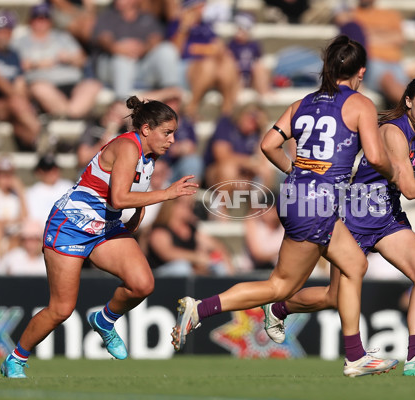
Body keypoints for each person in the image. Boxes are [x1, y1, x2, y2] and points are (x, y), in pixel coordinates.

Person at [171, 35, 401, 378]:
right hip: (319, 201)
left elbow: (268, 144)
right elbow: (376, 155)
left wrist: (297, 170)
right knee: (298, 281)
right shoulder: (361, 104)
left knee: (328, 272)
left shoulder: (302, 103)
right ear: (361, 72)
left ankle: (203, 309)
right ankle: (353, 355)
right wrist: (394, 174)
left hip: (294, 196)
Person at [260, 77, 415, 376]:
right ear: (407, 101)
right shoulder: (393, 132)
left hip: (388, 218)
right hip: (355, 217)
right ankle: (279, 308)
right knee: (333, 297)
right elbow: (410, 188)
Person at [0, 96, 199, 379]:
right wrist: (166, 194)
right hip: (70, 225)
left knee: (142, 284)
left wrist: (134, 221)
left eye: (174, 133)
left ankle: (104, 321)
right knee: (61, 309)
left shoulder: (150, 156)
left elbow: (136, 194)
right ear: (145, 129)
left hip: (105, 226)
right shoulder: (128, 147)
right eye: (167, 132)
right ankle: (16, 359)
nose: (172, 140)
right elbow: (118, 197)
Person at [11, 3, 102, 120]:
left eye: (45, 18)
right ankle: (68, 116)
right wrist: (37, 64)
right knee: (39, 88)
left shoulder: (63, 37)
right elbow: (16, 66)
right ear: (30, 20)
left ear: (50, 21)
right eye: (37, 18)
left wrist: (70, 58)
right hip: (44, 84)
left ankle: (70, 114)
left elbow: (83, 60)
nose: (41, 22)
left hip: (72, 82)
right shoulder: (21, 42)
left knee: (93, 85)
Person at [92, 0, 181, 101]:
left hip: (141, 66)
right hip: (112, 67)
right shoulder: (107, 16)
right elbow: (103, 39)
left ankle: (172, 95)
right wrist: (117, 48)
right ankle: (122, 102)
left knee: (167, 49)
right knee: (122, 60)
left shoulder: (147, 17)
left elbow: (156, 38)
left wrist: (143, 48)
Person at [168, 0, 239, 118]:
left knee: (227, 61)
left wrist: (208, 49)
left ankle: (227, 106)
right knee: (209, 63)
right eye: (200, 7)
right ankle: (193, 105)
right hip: (187, 67)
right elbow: (175, 52)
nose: (203, 10)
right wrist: (184, 27)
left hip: (209, 69)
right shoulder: (177, 24)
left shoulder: (205, 25)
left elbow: (220, 48)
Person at [145, 195, 234, 277]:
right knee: (181, 267)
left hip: (190, 273)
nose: (190, 208)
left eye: (191, 205)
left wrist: (221, 258)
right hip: (161, 276)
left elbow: (216, 246)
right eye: (185, 205)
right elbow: (167, 253)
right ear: (172, 206)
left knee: (218, 266)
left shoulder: (192, 229)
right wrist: (197, 257)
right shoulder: (160, 230)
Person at [0, 9, 42, 151]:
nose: (4, 35)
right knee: (17, 102)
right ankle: (43, 132)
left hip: (13, 107)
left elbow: (20, 83)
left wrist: (21, 98)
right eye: (1, 31)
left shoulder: (14, 55)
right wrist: (18, 97)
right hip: (0, 104)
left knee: (21, 126)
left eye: (8, 31)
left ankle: (38, 143)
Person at [227, 12, 272, 97]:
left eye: (241, 30)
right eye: (238, 30)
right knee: (233, 69)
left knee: (259, 68)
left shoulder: (254, 45)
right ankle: (235, 97)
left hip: (251, 77)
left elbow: (259, 61)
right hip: (238, 76)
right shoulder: (232, 44)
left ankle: (264, 92)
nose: (238, 33)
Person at [25, 153, 74, 225]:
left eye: (54, 168)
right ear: (39, 171)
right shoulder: (32, 192)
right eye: (48, 169)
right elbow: (33, 219)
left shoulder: (69, 187)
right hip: (41, 231)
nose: (52, 172)